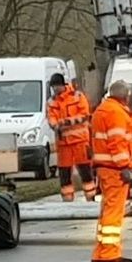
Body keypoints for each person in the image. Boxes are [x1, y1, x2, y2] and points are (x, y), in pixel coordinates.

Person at [90, 79, 132, 262]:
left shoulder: (102, 110)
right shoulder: (116, 113)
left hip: (105, 167)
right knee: (114, 211)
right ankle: (109, 253)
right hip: (114, 169)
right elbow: (117, 143)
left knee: (107, 210)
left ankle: (101, 251)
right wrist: (124, 166)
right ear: (125, 95)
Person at [46, 73, 95, 202]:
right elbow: (51, 118)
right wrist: (55, 125)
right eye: (53, 87)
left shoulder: (77, 97)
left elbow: (84, 115)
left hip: (80, 141)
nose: (55, 89)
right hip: (63, 144)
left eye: (57, 86)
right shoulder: (51, 102)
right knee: (64, 174)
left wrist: (66, 122)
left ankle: (90, 198)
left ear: (63, 85)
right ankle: (67, 200)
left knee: (85, 171)